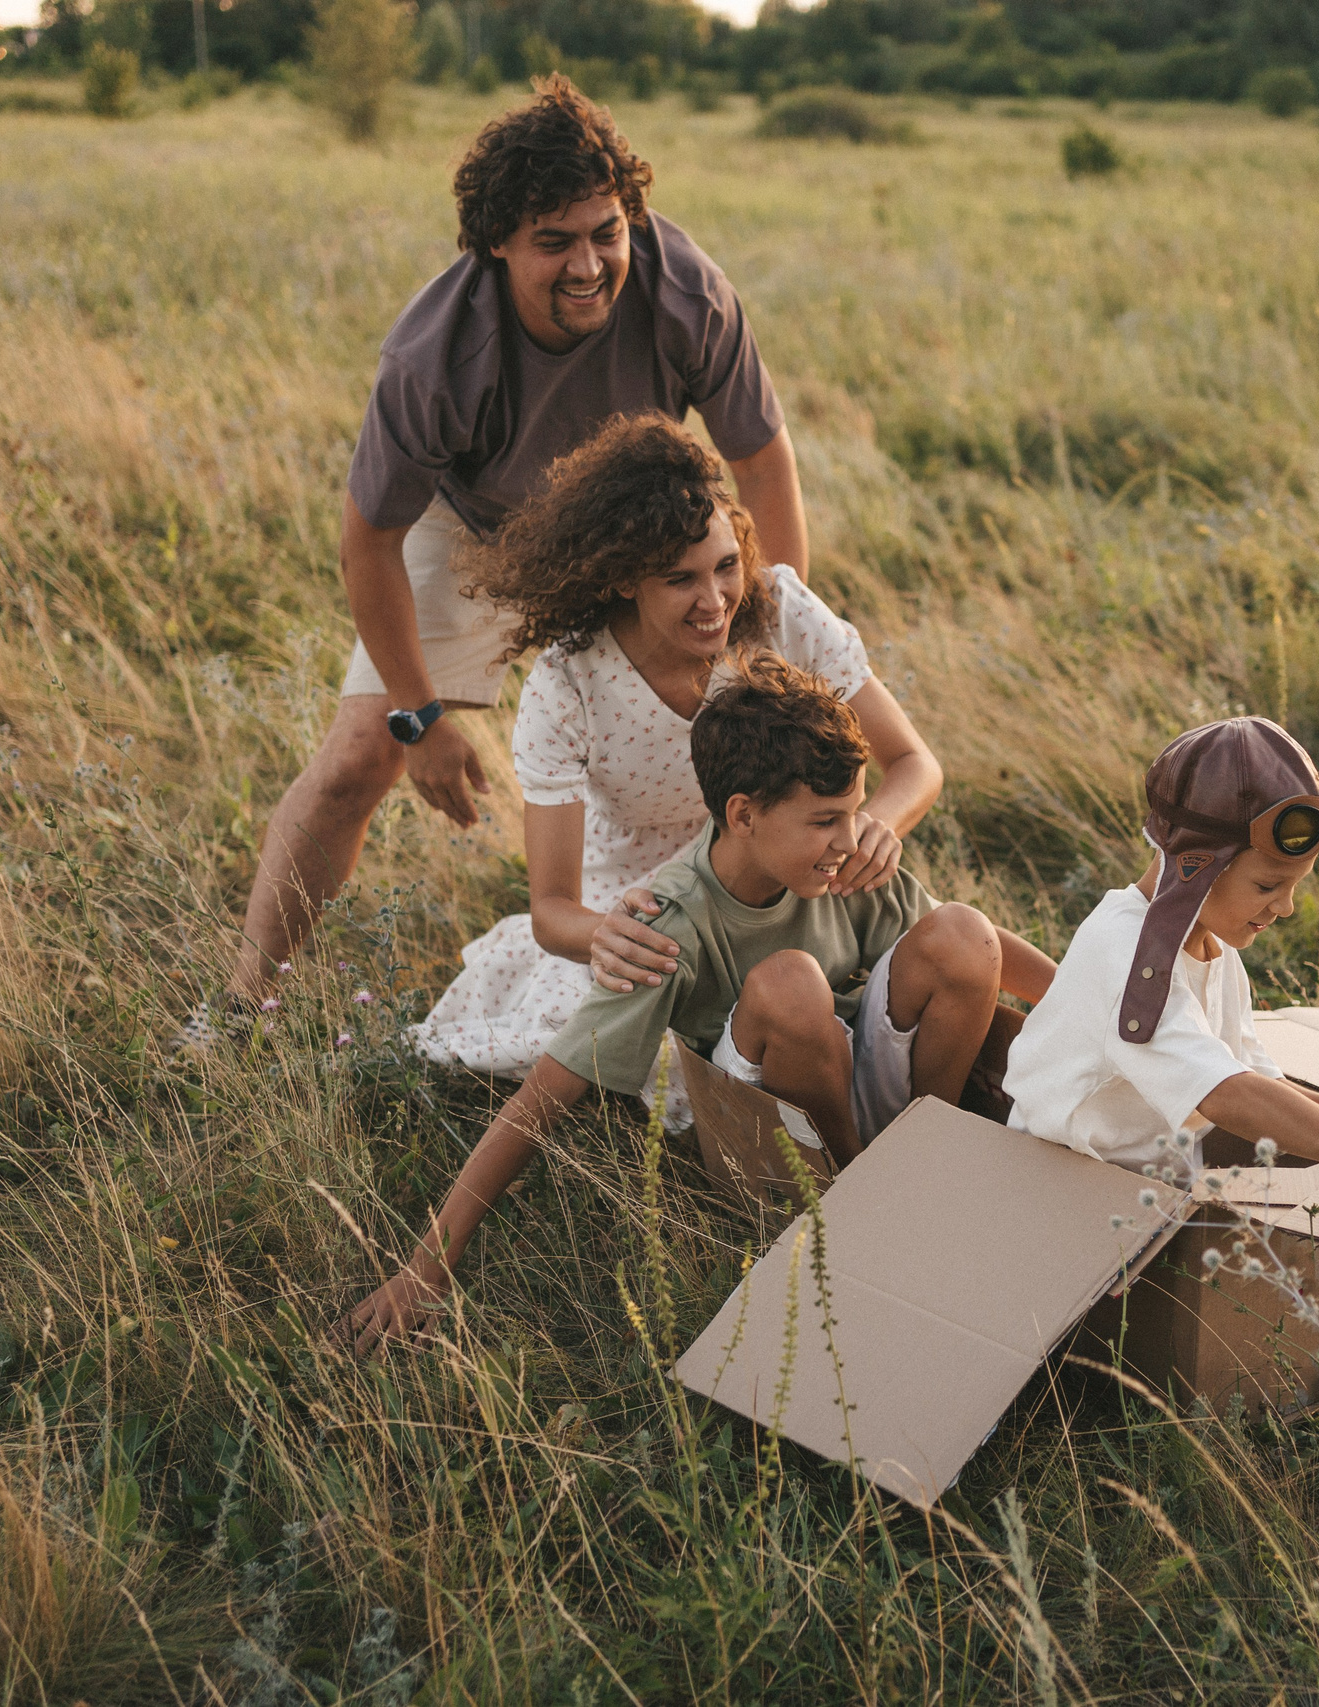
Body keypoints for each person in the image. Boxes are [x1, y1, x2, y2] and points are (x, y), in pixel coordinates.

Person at [187, 76, 811, 1043]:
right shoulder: (434, 357)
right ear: (496, 246)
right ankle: (238, 1005)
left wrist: (768, 639)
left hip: (643, 534)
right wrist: (420, 715)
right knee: (360, 757)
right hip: (480, 529)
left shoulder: (685, 290)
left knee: (745, 746)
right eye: (553, 242)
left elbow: (762, 460)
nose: (589, 264)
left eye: (606, 232)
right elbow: (369, 541)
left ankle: (734, 992)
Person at [340, 659, 1055, 1350]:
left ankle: (935, 1150)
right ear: (743, 815)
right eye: (825, 820)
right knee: (790, 983)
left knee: (963, 928)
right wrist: (424, 1266)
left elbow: (978, 950)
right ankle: (861, 1201)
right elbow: (543, 1094)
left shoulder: (847, 860)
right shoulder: (671, 922)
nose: (852, 838)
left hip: (862, 1068)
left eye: (856, 813)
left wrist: (1083, 998)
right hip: (776, 1124)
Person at [409, 416, 942, 1090]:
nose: (715, 600)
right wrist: (605, 935)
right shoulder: (570, 680)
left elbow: (915, 764)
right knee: (608, 1052)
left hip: (781, 877)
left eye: (725, 567)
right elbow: (552, 909)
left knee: (898, 981)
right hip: (648, 916)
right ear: (627, 578)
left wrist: (875, 828)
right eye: (679, 579)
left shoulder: (779, 612)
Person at [1003, 717, 1319, 1232]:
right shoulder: (1128, 953)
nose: (1286, 907)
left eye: (1293, 886)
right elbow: (1225, 1094)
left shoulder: (1213, 949)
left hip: (1146, 1192)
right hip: (1056, 1195)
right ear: (1197, 865)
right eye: (1269, 885)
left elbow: (1262, 1085)